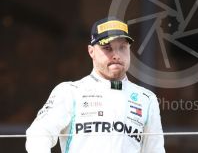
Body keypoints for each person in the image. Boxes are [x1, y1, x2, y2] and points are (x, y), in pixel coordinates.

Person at [26, 17, 165, 153]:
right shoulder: (69, 92)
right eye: (108, 48)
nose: (116, 55)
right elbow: (38, 134)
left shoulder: (147, 98)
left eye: (122, 47)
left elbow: (155, 149)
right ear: (91, 51)